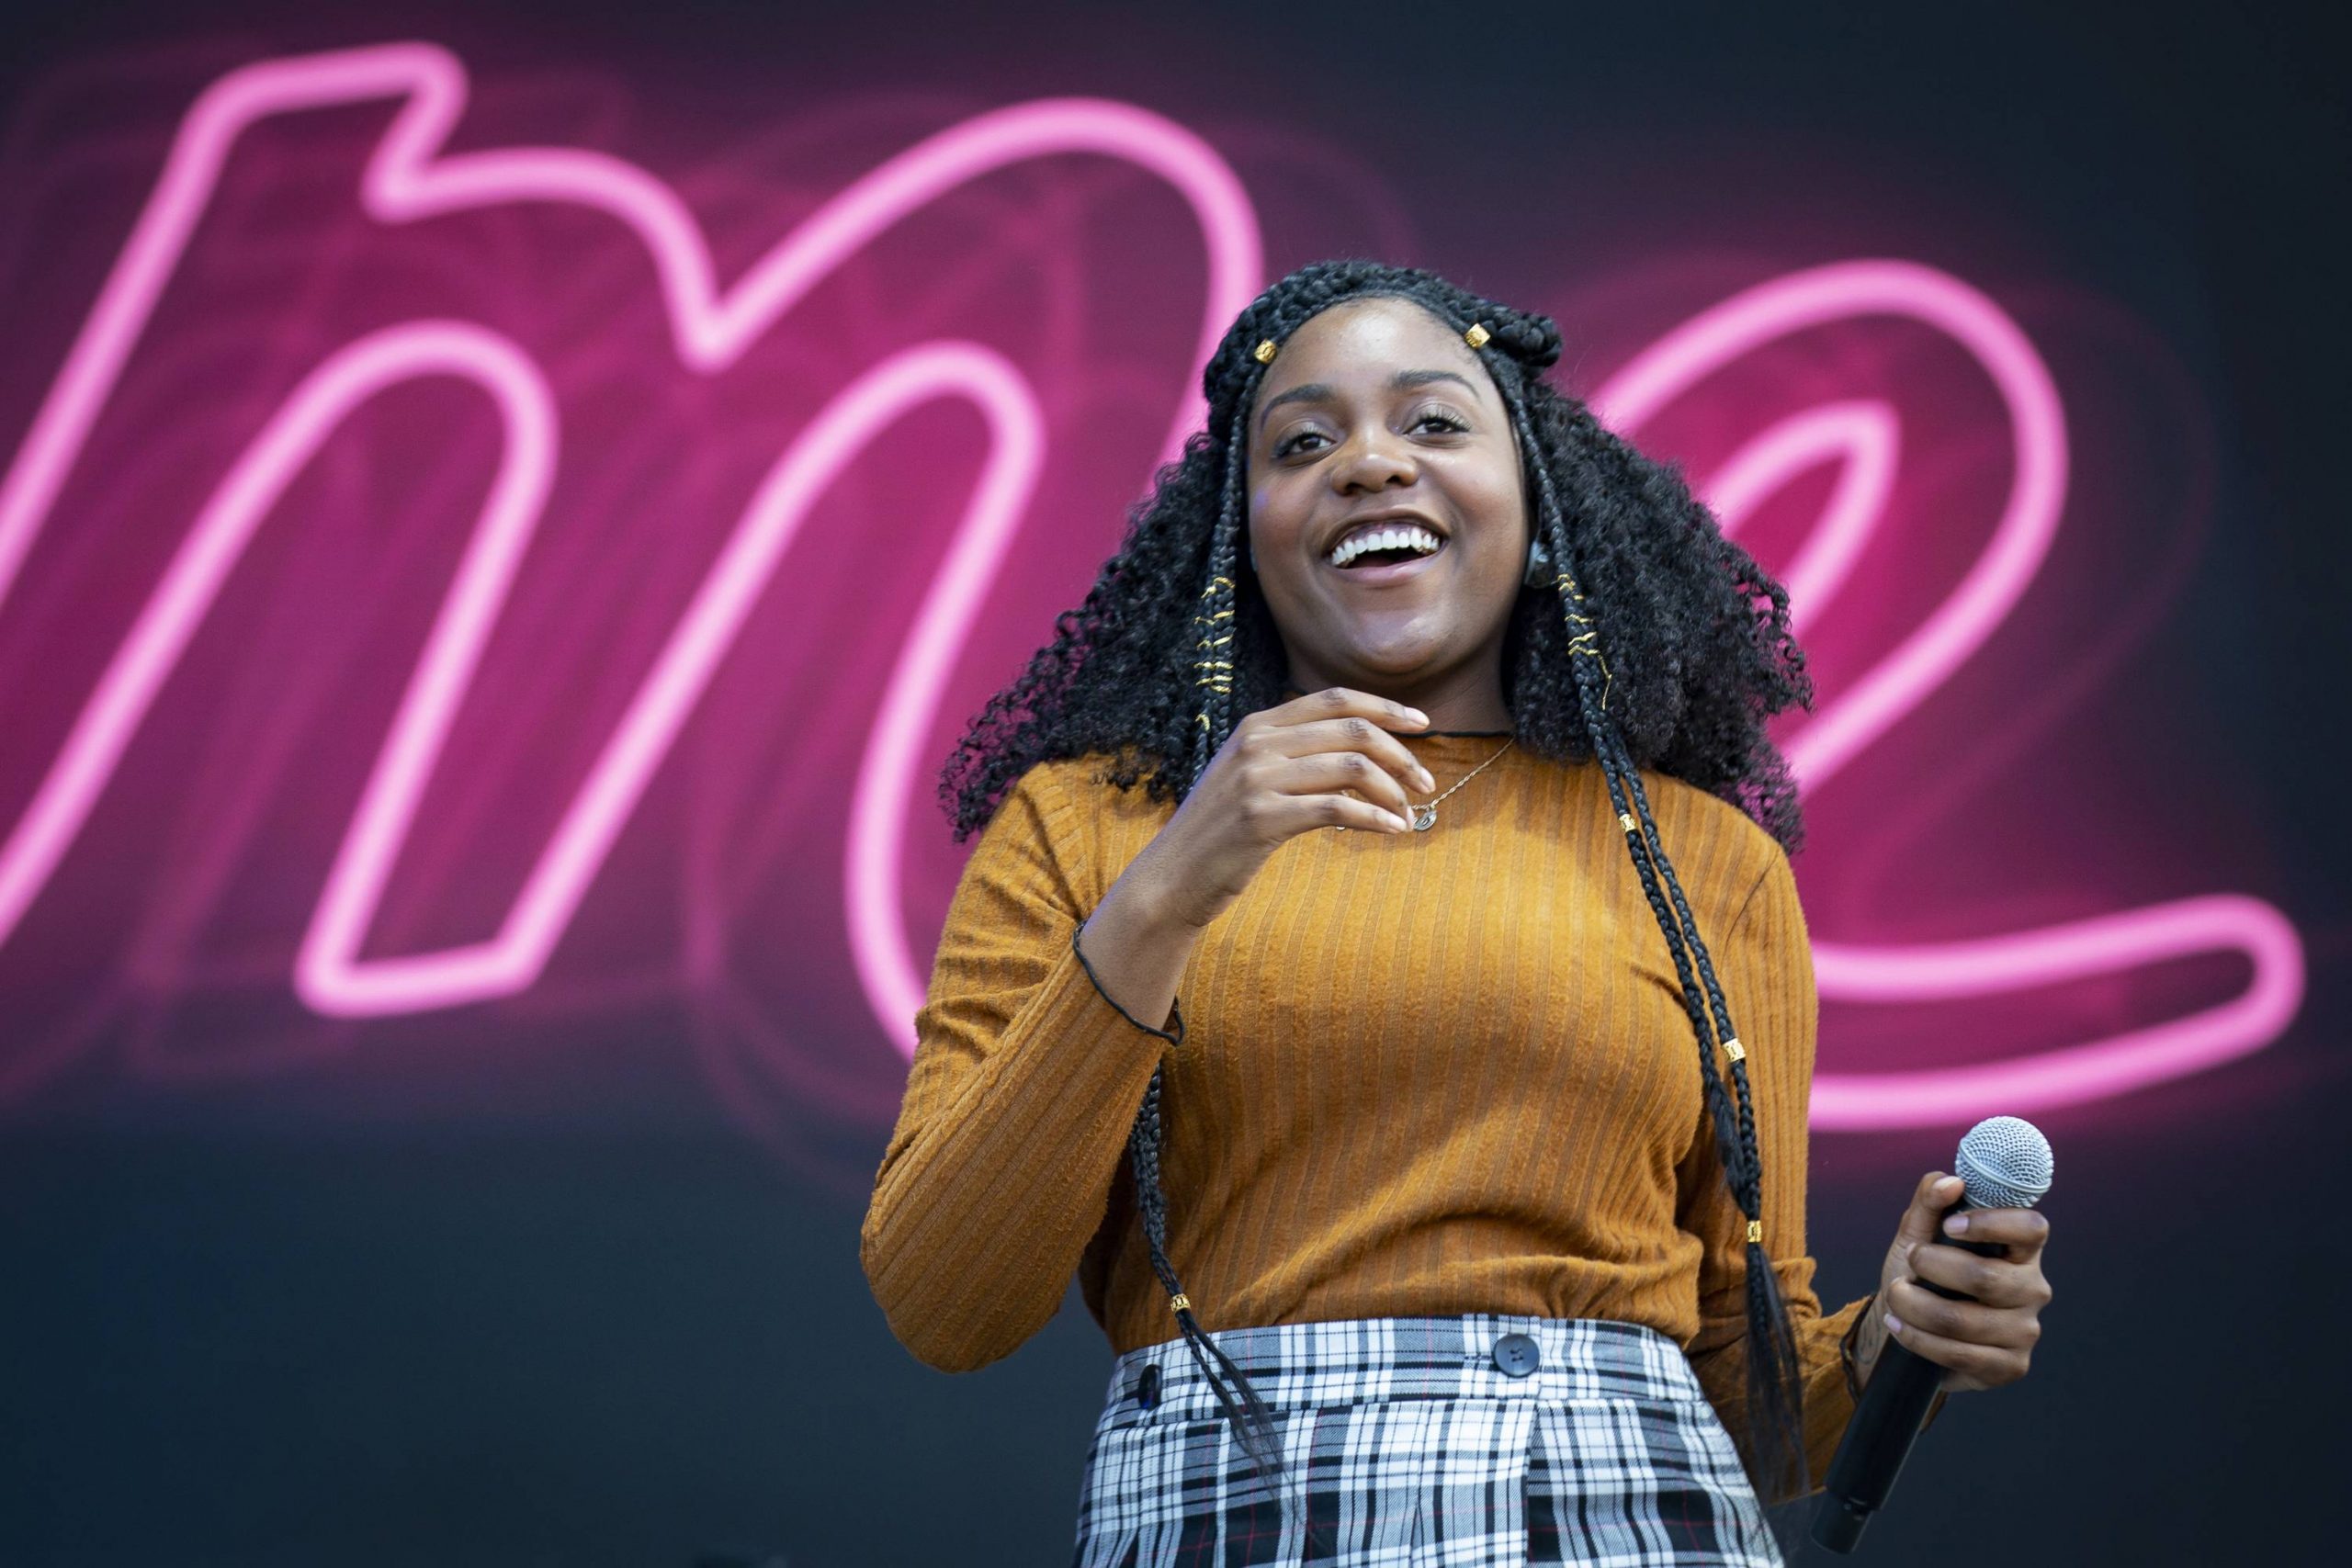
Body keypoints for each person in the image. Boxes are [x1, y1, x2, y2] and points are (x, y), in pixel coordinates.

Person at [860, 260, 2054, 1566]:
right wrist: (1171, 889)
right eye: (1303, 442)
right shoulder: (1091, 829)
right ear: (1240, 542)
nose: (1371, 464)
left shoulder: (1706, 862)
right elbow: (944, 1300)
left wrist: (1898, 1345)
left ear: (1540, 513)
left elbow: (1745, 1404)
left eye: (1433, 422)